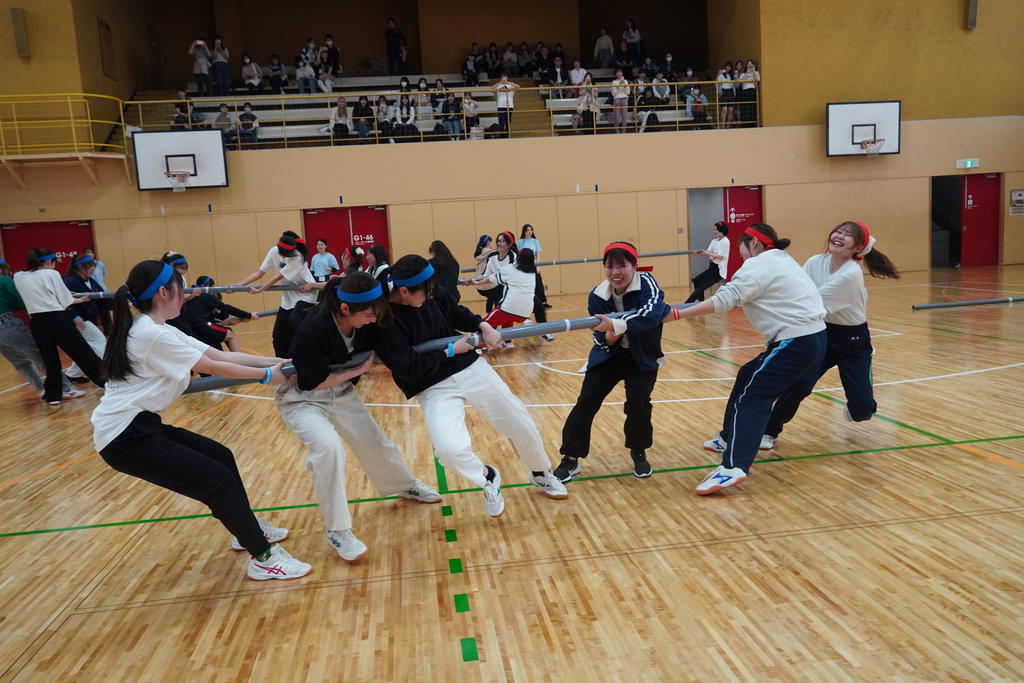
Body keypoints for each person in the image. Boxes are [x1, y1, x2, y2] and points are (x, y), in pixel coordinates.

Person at [92, 259, 310, 580]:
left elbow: (218, 354)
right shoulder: (150, 334)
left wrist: (284, 361)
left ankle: (245, 528)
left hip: (141, 427)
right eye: (183, 285)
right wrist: (266, 376)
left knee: (221, 457)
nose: (188, 291)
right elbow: (213, 367)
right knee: (216, 481)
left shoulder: (158, 328)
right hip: (124, 438)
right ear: (165, 292)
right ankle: (263, 557)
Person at [375, 254, 568, 517]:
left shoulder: (431, 292)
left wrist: (483, 325)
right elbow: (408, 368)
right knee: (449, 451)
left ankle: (540, 471)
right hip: (431, 385)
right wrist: (450, 350)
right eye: (426, 292)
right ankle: (487, 476)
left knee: (519, 419)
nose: (432, 296)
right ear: (405, 291)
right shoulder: (385, 319)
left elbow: (456, 313)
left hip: (468, 367)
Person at [276, 272, 441, 561]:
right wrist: (358, 370)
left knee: (373, 441)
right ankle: (338, 531)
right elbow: (311, 381)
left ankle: (404, 486)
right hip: (302, 398)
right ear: (344, 309)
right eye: (368, 315)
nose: (374, 320)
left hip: (339, 391)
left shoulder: (370, 317)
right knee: (328, 449)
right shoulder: (312, 329)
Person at [673, 223, 827, 495]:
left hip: (795, 340)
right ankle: (728, 438)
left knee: (753, 397)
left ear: (753, 244)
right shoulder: (782, 259)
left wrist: (676, 314)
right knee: (747, 374)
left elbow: (727, 299)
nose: (741, 253)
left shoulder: (760, 264)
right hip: (813, 338)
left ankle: (734, 467)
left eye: (742, 247)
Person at [763, 221, 900, 445]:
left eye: (847, 235)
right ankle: (769, 430)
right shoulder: (815, 261)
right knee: (798, 384)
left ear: (857, 248)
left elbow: (810, 300)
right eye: (838, 231)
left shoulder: (852, 273)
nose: (839, 236)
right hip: (821, 333)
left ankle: (858, 407)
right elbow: (797, 287)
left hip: (852, 341)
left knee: (862, 411)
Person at [554, 242, 671, 482]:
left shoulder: (646, 282)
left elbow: (650, 314)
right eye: (609, 266)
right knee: (586, 401)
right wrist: (610, 333)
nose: (615, 272)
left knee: (639, 402)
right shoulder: (598, 294)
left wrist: (615, 323)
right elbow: (600, 337)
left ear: (634, 267)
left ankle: (638, 450)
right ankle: (570, 458)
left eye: (622, 265)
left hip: (642, 358)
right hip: (610, 357)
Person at [13, 248, 104, 406]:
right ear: (49, 261)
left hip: (37, 322)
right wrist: (79, 300)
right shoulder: (52, 274)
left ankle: (53, 395)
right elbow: (64, 300)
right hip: (57, 319)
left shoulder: (18, 276)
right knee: (82, 352)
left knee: (50, 360)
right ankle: (107, 383)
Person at [0, 258, 78, 400]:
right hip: (5, 324)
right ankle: (65, 388)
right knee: (40, 356)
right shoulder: (4, 280)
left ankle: (41, 390)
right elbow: (18, 299)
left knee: (19, 362)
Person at [231, 233, 318, 356]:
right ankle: (283, 363)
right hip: (288, 299)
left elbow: (277, 277)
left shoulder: (298, 257)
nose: (282, 256)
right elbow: (259, 273)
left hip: (306, 295)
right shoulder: (273, 251)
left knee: (296, 323)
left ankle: (307, 355)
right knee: (279, 334)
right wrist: (239, 284)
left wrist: (259, 290)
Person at [461, 247, 552, 347]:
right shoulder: (532, 273)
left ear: (519, 257)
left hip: (509, 308)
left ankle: (478, 346)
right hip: (526, 313)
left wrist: (475, 283)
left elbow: (491, 280)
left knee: (485, 324)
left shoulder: (510, 268)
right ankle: (508, 342)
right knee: (508, 317)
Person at [62, 253, 108, 384]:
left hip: (88, 318)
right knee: (100, 341)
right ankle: (106, 372)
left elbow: (101, 296)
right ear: (81, 267)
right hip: (78, 320)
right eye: (90, 267)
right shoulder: (69, 281)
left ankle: (72, 374)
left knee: (88, 347)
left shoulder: (90, 280)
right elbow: (63, 301)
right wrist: (74, 316)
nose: (93, 270)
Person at [184, 276, 255, 351]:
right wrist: (248, 315)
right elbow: (226, 308)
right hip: (201, 328)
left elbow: (224, 320)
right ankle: (239, 359)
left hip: (192, 329)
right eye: (211, 286)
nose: (213, 289)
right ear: (204, 286)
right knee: (230, 334)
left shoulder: (198, 301)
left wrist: (240, 319)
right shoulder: (205, 297)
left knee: (221, 348)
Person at [685, 221, 730, 302]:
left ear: (722, 230)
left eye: (716, 229)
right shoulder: (714, 241)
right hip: (711, 268)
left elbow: (720, 256)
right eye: (714, 229)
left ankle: (685, 305)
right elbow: (708, 252)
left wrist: (706, 253)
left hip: (718, 271)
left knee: (701, 287)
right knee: (696, 281)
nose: (714, 231)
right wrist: (699, 253)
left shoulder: (726, 242)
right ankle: (701, 303)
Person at [476, 231, 516, 313]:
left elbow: (507, 276)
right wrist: (475, 281)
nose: (500, 243)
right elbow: (486, 274)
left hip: (510, 289)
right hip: (496, 287)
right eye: (498, 241)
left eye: (503, 241)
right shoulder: (492, 255)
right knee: (498, 311)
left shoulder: (513, 256)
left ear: (509, 244)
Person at [516, 224, 550, 313]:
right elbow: (517, 255)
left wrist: (538, 266)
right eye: (527, 230)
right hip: (523, 267)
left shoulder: (535, 241)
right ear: (524, 231)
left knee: (538, 284)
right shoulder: (519, 242)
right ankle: (527, 304)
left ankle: (542, 302)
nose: (530, 232)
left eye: (531, 230)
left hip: (534, 266)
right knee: (527, 286)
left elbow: (538, 253)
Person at [82, 246, 111, 331]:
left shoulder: (100, 264)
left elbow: (102, 276)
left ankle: (109, 332)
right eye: (87, 252)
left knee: (105, 314)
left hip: (102, 292)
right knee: (93, 314)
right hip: (90, 294)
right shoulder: (83, 267)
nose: (89, 254)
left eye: (91, 252)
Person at [493, 72, 520, 137]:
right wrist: (500, 83)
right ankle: (502, 135)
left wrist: (509, 83)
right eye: (502, 77)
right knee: (501, 121)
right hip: (500, 105)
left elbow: (518, 87)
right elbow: (492, 88)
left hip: (509, 105)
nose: (504, 79)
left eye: (505, 77)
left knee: (508, 121)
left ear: (507, 77)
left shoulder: (511, 85)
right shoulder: (498, 85)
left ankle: (507, 134)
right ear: (501, 78)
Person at [737, 59, 761, 127]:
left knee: (752, 106)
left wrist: (753, 71)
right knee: (745, 107)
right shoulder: (743, 74)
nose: (749, 65)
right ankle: (745, 123)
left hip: (752, 90)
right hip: (745, 91)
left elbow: (757, 79)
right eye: (748, 64)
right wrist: (747, 73)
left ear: (753, 65)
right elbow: (741, 82)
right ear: (746, 66)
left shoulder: (756, 72)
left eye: (751, 64)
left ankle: (752, 123)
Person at [717, 61, 737, 128]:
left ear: (731, 68)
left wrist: (736, 76)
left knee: (731, 110)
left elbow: (737, 84)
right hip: (723, 92)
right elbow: (716, 83)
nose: (728, 67)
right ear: (725, 67)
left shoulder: (732, 75)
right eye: (727, 66)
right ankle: (722, 125)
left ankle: (728, 125)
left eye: (729, 66)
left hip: (731, 92)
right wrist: (718, 74)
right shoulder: (721, 74)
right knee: (724, 109)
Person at [611, 69, 630, 134]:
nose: (619, 74)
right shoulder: (614, 82)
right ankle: (617, 131)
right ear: (616, 74)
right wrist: (619, 84)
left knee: (624, 116)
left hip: (624, 98)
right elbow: (613, 93)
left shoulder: (626, 81)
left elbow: (627, 92)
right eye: (617, 72)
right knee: (616, 116)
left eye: (620, 72)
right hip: (617, 99)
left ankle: (623, 131)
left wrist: (624, 84)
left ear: (622, 73)